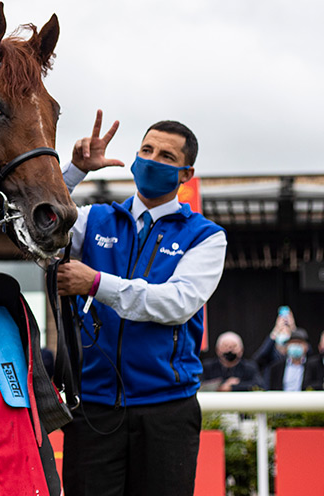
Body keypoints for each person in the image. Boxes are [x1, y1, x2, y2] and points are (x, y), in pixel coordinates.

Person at [57, 113, 227, 496]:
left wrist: (96, 283)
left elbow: (178, 303)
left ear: (186, 174)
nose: (152, 160)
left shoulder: (206, 237)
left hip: (168, 410)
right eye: (146, 150)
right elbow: (38, 222)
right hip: (94, 407)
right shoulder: (94, 219)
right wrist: (73, 172)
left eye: (166, 156)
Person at [252, 307, 296, 376]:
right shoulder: (271, 351)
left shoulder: (295, 351)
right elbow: (257, 360)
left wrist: (293, 328)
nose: (284, 334)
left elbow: (308, 353)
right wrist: (276, 331)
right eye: (281, 331)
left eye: (287, 332)